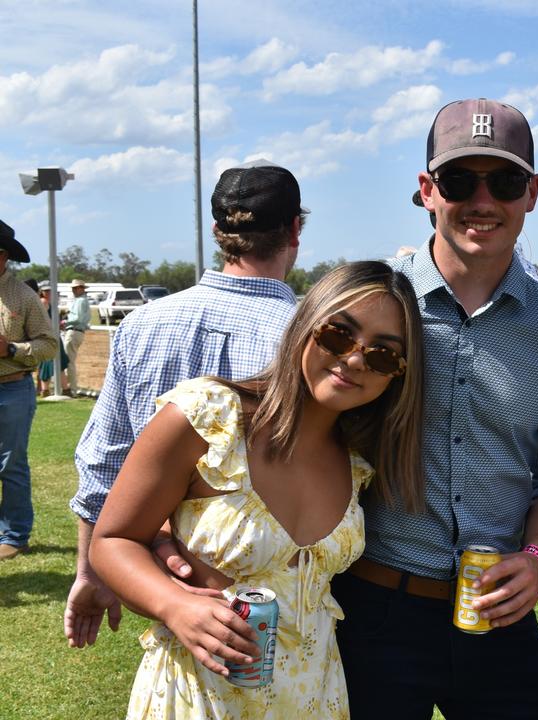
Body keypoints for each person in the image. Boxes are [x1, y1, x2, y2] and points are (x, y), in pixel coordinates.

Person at [332, 98, 538, 718]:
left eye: (503, 181)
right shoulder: (371, 306)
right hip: (373, 604)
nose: (483, 200)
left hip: (494, 608)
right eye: (459, 180)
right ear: (428, 189)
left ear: (531, 193)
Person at [91, 261, 423, 719]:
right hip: (198, 698)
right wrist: (175, 606)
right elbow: (112, 541)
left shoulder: (359, 464)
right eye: (339, 334)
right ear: (307, 324)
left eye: (383, 355)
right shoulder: (207, 417)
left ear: (397, 375)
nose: (353, 360)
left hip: (314, 699)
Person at [65, 160, 305, 648]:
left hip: (156, 574)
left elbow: (104, 460)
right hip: (270, 583)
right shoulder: (308, 337)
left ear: (218, 231)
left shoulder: (144, 323)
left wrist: (91, 570)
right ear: (295, 230)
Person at [0, 220, 58, 561]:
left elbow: (49, 345)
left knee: (10, 464)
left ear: (3, 255)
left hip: (12, 390)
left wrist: (10, 351)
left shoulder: (23, 296)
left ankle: (15, 534)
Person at [36, 282, 70, 396]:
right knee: (47, 361)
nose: (48, 293)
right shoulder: (44, 302)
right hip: (48, 336)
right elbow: (43, 320)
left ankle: (63, 389)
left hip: (53, 334)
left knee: (59, 361)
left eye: (50, 291)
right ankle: (46, 390)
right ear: (42, 292)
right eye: (46, 291)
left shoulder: (51, 303)